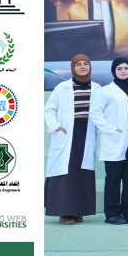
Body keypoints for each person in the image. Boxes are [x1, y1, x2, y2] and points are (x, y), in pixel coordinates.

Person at [45, 54, 111, 224]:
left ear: (90, 67)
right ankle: (65, 212)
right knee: (66, 173)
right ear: (72, 68)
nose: (82, 67)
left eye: (85, 64)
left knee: (82, 174)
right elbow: (49, 110)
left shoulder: (97, 89)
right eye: (78, 64)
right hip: (66, 132)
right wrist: (55, 125)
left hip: (86, 132)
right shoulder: (62, 88)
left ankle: (79, 209)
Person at [98, 57, 128, 224]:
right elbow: (95, 113)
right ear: (114, 71)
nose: (123, 71)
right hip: (114, 141)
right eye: (119, 68)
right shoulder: (106, 91)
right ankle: (111, 213)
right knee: (113, 179)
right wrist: (111, 128)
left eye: (126, 67)